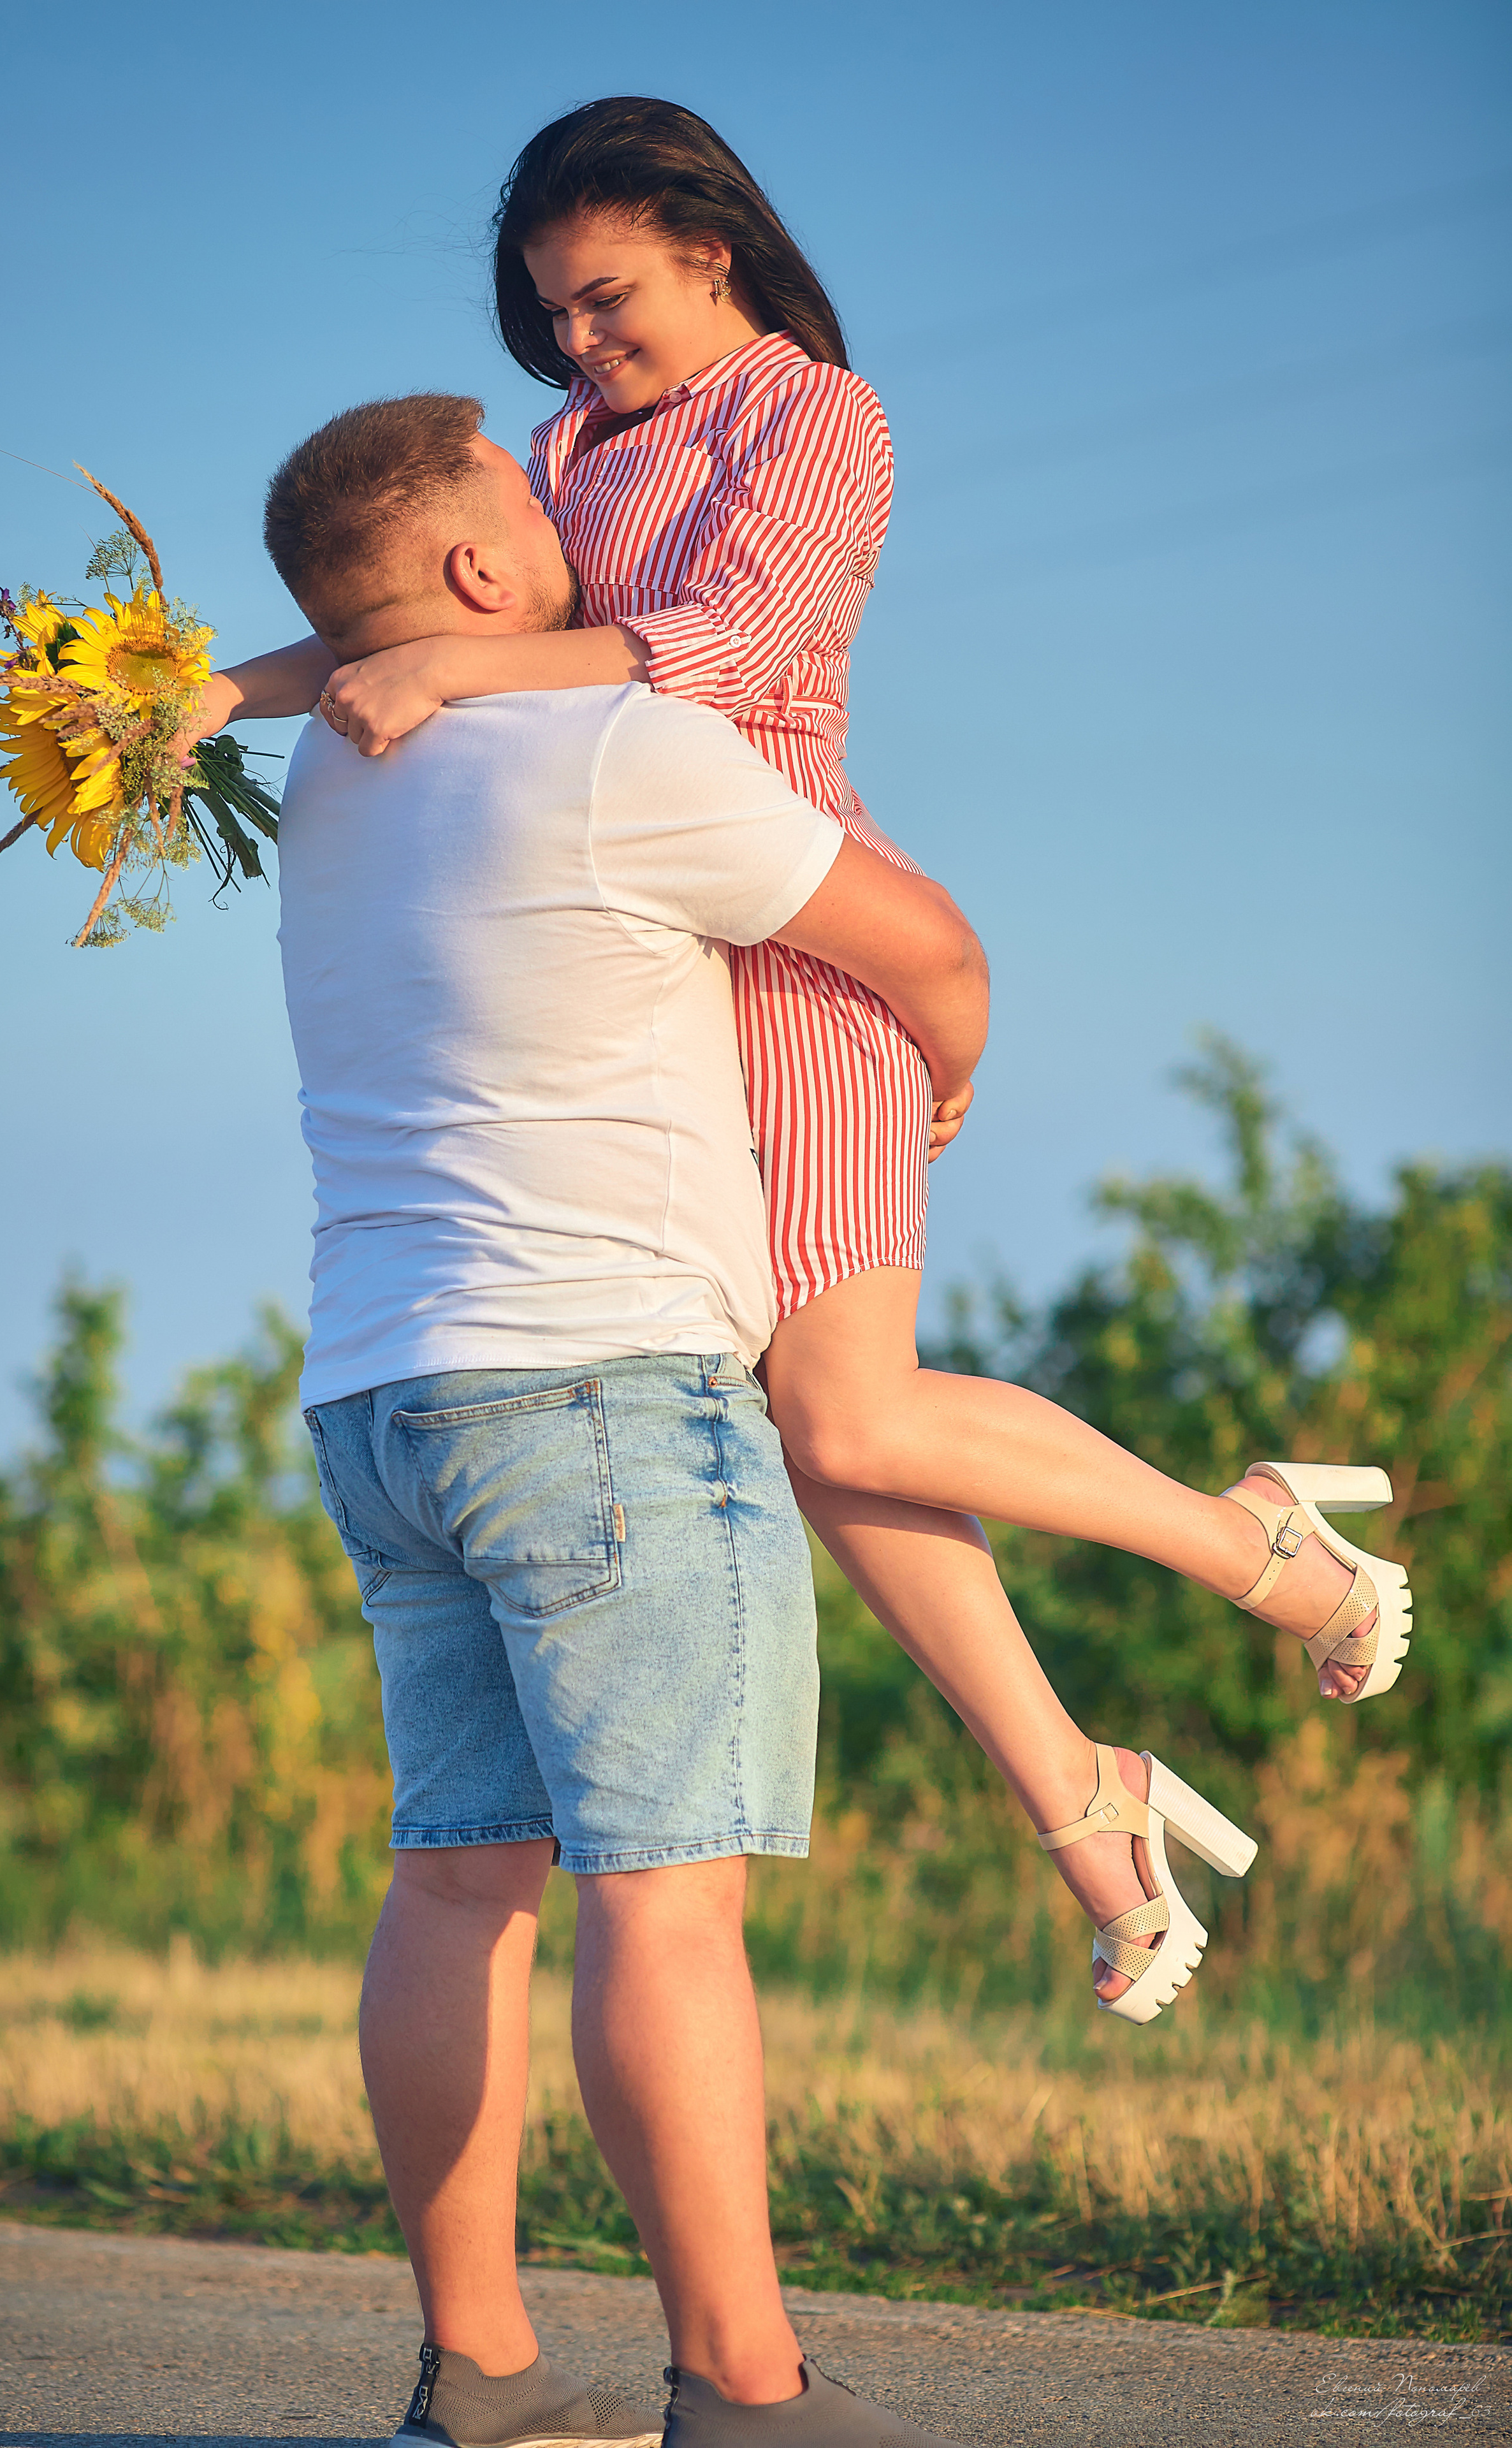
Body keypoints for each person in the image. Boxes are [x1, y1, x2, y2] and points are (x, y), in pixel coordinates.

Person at [199, 99, 1410, 2020]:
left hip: (801, 934)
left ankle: (1245, 1546)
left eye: (604, 303)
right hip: (658, 958)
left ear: (710, 246)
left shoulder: (814, 416)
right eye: (553, 319)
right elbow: (420, 612)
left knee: (846, 1419)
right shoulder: (567, 448)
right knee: (818, 1432)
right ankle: (1086, 1800)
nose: (580, 349)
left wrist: (452, 676)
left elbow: (738, 640)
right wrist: (207, 692)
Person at [268, 388, 996, 2447]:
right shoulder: (614, 748)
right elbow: (917, 939)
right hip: (600, 1389)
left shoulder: (336, 783)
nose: (563, 488)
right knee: (664, 1900)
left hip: (383, 1393)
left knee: (454, 1884)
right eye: (525, 485)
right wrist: (952, 1062)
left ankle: (477, 2366)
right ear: (485, 569)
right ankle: (746, 2389)